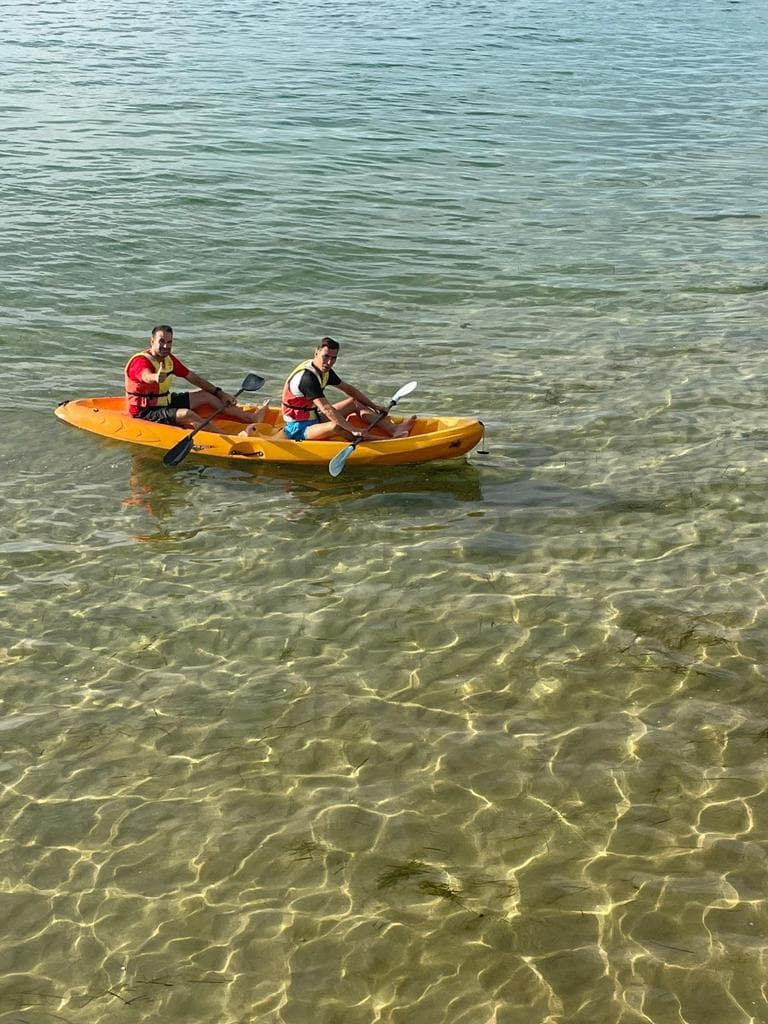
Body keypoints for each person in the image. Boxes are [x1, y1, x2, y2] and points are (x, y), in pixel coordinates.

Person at [260, 336, 415, 442]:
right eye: (326, 356)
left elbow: (349, 390)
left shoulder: (324, 370)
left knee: (354, 402)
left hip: (315, 416)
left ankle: (393, 429)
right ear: (316, 352)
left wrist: (374, 406)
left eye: (333, 358)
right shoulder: (307, 379)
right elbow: (327, 409)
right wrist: (352, 429)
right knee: (335, 426)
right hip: (297, 428)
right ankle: (387, 441)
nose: (329, 362)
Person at [124, 325, 268, 434]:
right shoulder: (140, 362)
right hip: (145, 411)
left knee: (206, 395)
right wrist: (156, 377)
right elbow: (145, 376)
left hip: (165, 401)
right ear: (152, 341)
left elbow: (193, 377)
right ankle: (228, 438)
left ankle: (250, 418)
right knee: (187, 414)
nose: (166, 346)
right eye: (161, 341)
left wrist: (220, 393)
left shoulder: (169, 359)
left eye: (169, 342)